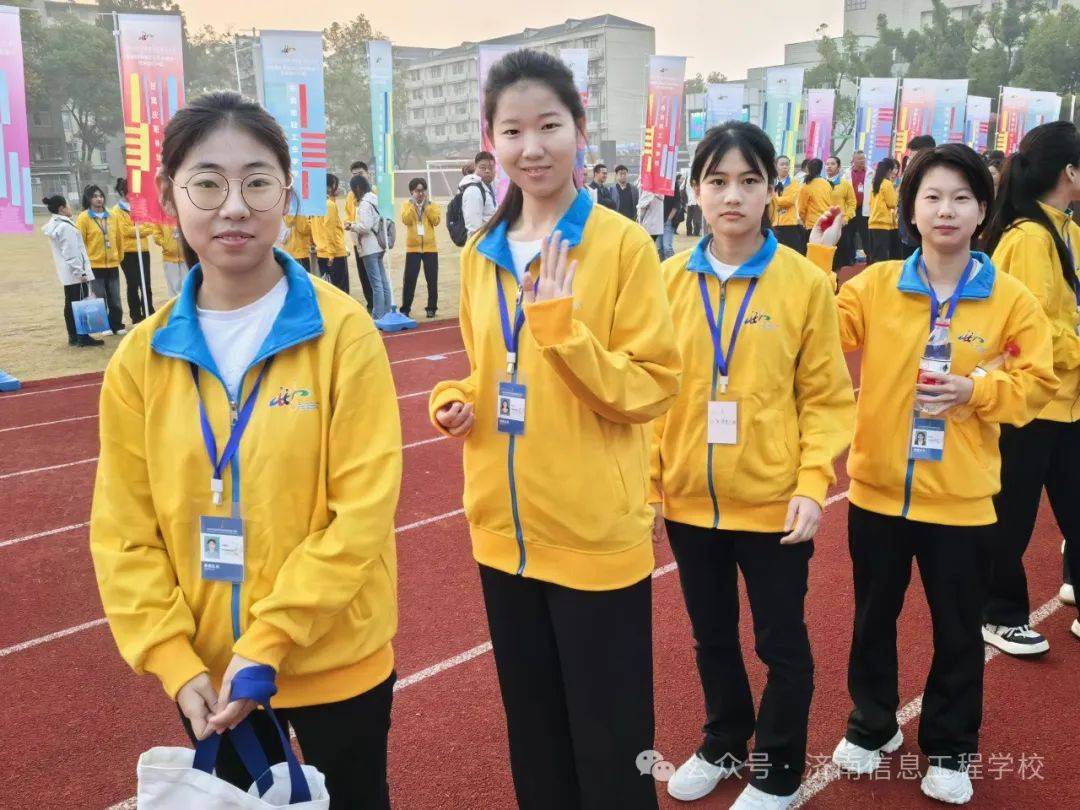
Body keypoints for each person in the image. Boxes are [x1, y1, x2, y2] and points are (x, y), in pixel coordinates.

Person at [89, 91, 401, 810]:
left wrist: (269, 639)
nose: (234, 205)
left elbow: (361, 513)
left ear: (286, 196)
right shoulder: (140, 359)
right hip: (209, 680)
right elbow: (123, 530)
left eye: (257, 182)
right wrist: (172, 657)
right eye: (208, 182)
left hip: (334, 662)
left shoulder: (343, 334)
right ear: (170, 194)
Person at [428, 49, 680, 809]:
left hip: (593, 535)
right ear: (491, 140)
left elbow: (651, 386)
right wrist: (453, 399)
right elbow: (486, 369)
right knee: (534, 733)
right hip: (502, 534)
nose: (531, 147)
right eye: (512, 131)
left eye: (548, 126)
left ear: (579, 129)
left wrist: (565, 334)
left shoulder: (622, 245)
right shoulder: (480, 253)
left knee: (611, 744)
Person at [807, 144, 1055, 806]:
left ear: (983, 210)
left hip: (964, 500)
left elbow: (1038, 382)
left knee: (955, 628)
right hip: (879, 491)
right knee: (871, 618)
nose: (946, 210)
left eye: (962, 198)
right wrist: (819, 260)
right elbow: (818, 336)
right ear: (910, 209)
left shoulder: (1010, 297)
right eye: (932, 197)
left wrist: (977, 392)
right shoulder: (878, 286)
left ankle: (950, 746)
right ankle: (873, 725)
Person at [654, 122, 854, 809]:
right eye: (716, 181)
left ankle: (778, 769)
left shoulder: (802, 283)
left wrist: (812, 486)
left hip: (774, 504)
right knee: (711, 639)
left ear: (773, 190)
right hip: (688, 502)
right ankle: (723, 740)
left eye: (747, 180)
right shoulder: (666, 281)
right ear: (696, 191)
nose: (731, 195)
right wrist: (653, 485)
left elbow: (827, 397)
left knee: (781, 645)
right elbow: (649, 397)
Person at [978, 121, 1080, 657]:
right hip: (1030, 401)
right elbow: (1034, 331)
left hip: (1068, 403)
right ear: (1069, 171)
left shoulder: (1067, 231)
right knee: (1012, 514)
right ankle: (999, 613)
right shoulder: (1028, 239)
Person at [42, 194, 103, 347]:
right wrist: (80, 272)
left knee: (70, 303)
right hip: (75, 273)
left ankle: (74, 335)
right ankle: (82, 336)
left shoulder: (56, 224)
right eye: (68, 205)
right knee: (79, 303)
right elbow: (71, 253)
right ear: (61, 209)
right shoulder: (65, 227)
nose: (70, 208)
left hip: (68, 273)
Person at [75, 184, 125, 335]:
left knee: (115, 297)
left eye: (101, 196)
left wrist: (118, 257)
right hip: (94, 265)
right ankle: (104, 326)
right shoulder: (84, 218)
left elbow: (119, 238)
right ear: (89, 199)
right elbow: (80, 243)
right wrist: (84, 264)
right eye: (95, 196)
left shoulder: (112, 216)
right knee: (100, 297)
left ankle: (116, 324)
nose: (99, 199)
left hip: (112, 263)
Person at [113, 177, 155, 323]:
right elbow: (124, 231)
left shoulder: (141, 206)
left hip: (143, 250)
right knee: (133, 284)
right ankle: (136, 315)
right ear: (123, 192)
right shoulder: (117, 211)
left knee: (146, 283)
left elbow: (150, 226)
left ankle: (149, 310)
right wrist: (138, 229)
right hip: (128, 252)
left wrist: (138, 230)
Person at [350, 174, 392, 320]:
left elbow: (365, 226)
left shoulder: (364, 203)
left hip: (369, 247)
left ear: (357, 188)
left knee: (376, 284)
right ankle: (387, 311)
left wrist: (352, 226)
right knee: (383, 280)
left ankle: (378, 314)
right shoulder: (375, 199)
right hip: (379, 245)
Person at [400, 177, 441, 318]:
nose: (421, 193)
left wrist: (426, 207)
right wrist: (414, 207)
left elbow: (436, 221)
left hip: (430, 248)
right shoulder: (407, 205)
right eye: (417, 191)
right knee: (410, 280)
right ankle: (405, 308)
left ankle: (431, 307)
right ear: (412, 191)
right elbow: (405, 220)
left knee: (432, 279)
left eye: (423, 190)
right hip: (413, 249)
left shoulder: (431, 204)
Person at [899, 135, 937, 258]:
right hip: (908, 235)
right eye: (910, 159)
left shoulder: (938, 176)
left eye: (914, 158)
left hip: (926, 235)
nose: (911, 163)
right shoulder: (910, 175)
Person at [796, 159, 834, 283]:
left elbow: (801, 208)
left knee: (810, 255)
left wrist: (803, 220)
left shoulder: (806, 186)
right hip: (827, 223)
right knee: (824, 254)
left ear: (807, 169)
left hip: (812, 224)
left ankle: (810, 280)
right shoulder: (826, 184)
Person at [310, 174, 349, 293]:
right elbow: (329, 230)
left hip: (321, 252)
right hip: (334, 254)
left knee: (329, 290)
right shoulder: (329, 205)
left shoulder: (314, 205)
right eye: (334, 185)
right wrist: (331, 253)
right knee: (341, 291)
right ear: (329, 187)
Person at [345, 161, 375, 309]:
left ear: (367, 173)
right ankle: (370, 302)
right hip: (357, 240)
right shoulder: (350, 195)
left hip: (372, 240)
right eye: (354, 175)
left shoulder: (375, 192)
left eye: (360, 174)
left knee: (374, 274)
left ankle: (379, 304)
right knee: (363, 273)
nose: (357, 178)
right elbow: (349, 214)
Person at [825, 156, 858, 273]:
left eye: (832, 164)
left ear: (839, 167)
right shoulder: (821, 183)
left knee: (839, 256)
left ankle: (837, 281)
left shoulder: (845, 184)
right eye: (827, 164)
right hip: (824, 224)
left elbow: (852, 203)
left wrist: (846, 218)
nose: (829, 166)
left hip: (840, 225)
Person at [867, 158, 901, 263]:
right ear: (889, 170)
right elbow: (892, 203)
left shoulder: (875, 182)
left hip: (873, 222)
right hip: (883, 223)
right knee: (882, 256)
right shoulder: (887, 183)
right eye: (893, 169)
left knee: (875, 254)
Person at [771, 155, 804, 252]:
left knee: (789, 252)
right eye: (782, 164)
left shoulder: (794, 183)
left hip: (789, 224)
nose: (785, 166)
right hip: (774, 223)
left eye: (787, 164)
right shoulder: (771, 183)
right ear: (776, 166)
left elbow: (790, 200)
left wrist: (773, 200)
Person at [462, 150, 498, 236]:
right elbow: (473, 229)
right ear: (475, 167)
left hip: (490, 240)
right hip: (481, 244)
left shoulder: (488, 186)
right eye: (483, 168)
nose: (487, 171)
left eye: (491, 168)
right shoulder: (473, 191)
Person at [845, 150, 871, 261]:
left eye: (863, 158)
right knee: (849, 235)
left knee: (866, 235)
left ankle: (870, 257)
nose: (862, 161)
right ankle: (850, 258)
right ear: (853, 160)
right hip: (850, 209)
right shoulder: (846, 174)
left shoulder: (871, 173)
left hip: (864, 209)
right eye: (859, 159)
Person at [154, 220, 191, 297]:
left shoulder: (180, 215)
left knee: (187, 285)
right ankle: (175, 307)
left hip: (184, 257)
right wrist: (166, 244)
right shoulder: (159, 218)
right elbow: (156, 236)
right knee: (174, 287)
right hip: (169, 258)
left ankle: (186, 305)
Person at [638, 187, 665, 257]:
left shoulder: (648, 192)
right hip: (657, 227)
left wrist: (639, 220)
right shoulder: (661, 193)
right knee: (652, 248)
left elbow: (642, 209)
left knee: (645, 250)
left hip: (648, 226)